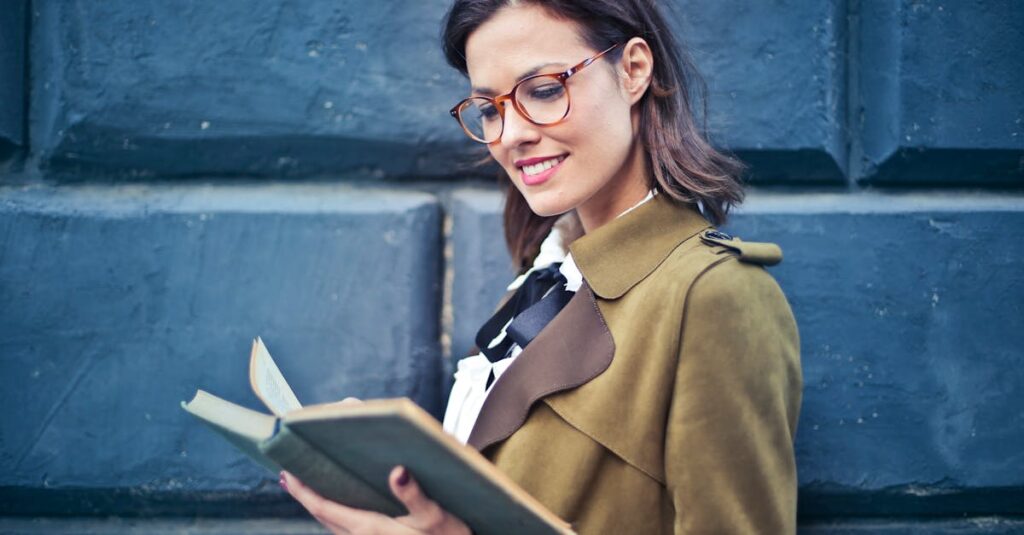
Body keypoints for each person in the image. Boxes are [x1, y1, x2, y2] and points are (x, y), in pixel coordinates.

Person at [280, 1, 803, 533]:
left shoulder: (715, 296)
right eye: (489, 108)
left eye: (545, 90)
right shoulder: (543, 282)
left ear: (634, 70)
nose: (509, 135)